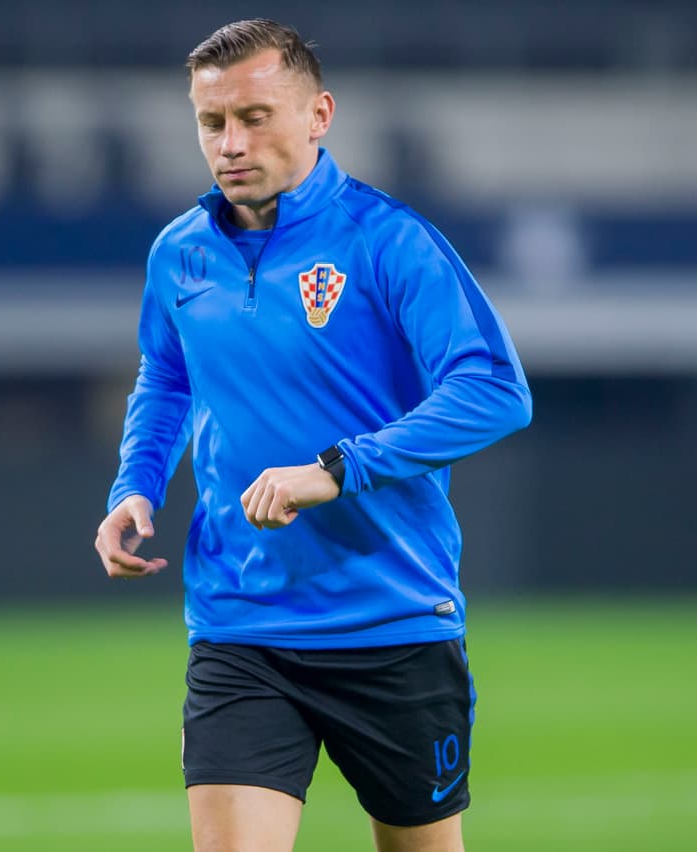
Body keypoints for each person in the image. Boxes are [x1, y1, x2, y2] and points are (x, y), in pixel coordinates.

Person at [93, 19, 531, 852]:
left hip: (392, 620)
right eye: (212, 122)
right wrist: (136, 485)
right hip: (240, 621)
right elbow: (168, 376)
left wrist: (338, 468)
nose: (230, 143)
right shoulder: (179, 252)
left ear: (319, 114)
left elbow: (495, 390)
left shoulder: (386, 240)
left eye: (254, 117)